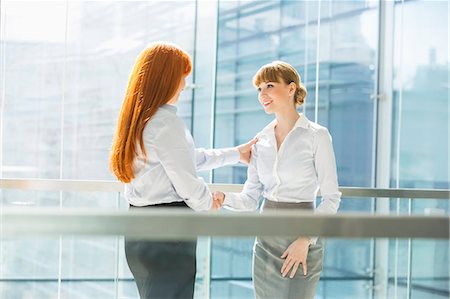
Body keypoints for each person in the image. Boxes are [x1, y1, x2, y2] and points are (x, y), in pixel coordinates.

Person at [109, 42, 255, 299]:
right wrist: (209, 201)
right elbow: (187, 181)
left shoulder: (141, 119)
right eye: (181, 77)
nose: (184, 85)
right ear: (165, 79)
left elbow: (183, 161)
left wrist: (235, 154)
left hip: (139, 231)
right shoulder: (166, 122)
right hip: (168, 232)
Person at [213, 61, 341, 299]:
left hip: (304, 233)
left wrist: (305, 240)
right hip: (266, 237)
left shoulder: (317, 136)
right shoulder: (260, 140)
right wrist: (223, 197)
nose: (262, 94)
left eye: (269, 86)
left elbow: (332, 197)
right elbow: (250, 199)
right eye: (259, 89)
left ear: (291, 89)